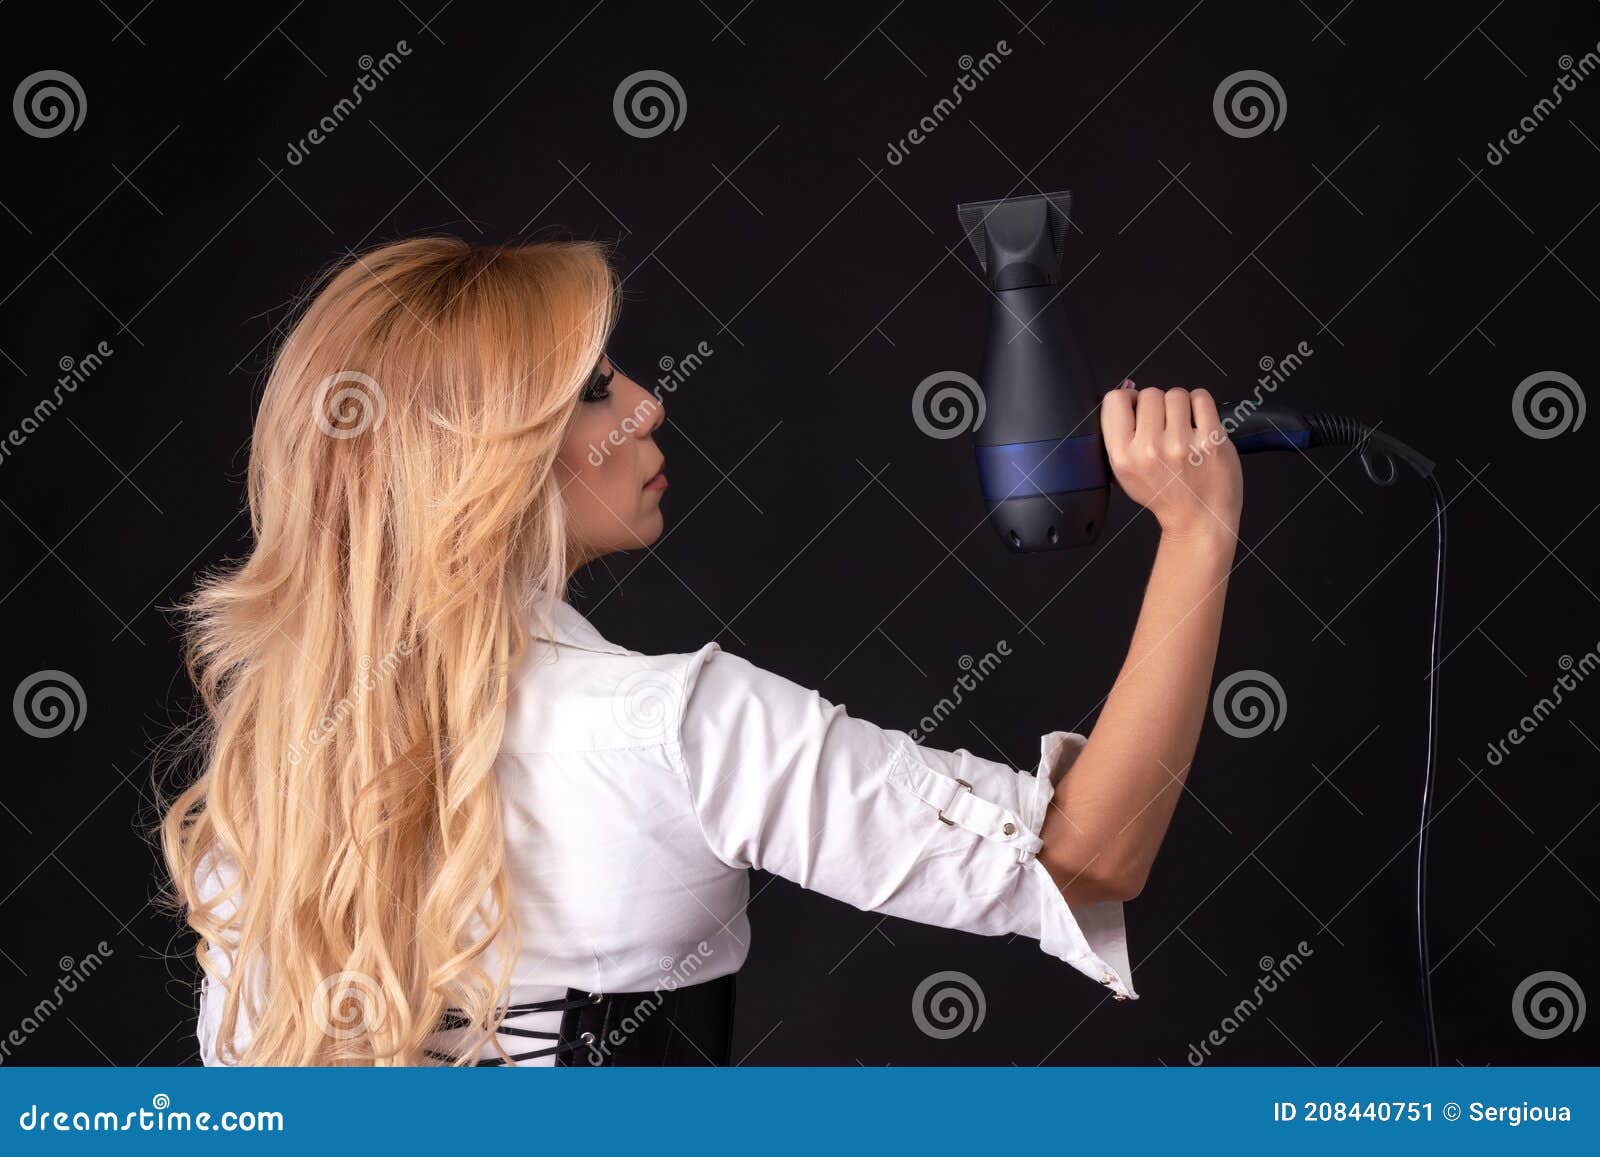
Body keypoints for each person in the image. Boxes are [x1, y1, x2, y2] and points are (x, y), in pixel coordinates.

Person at [161, 237, 1243, 1066]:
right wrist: (1198, 531)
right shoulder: (674, 728)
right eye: (592, 388)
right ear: (478, 453)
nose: (646, 402)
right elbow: (1087, 856)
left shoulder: (271, 769)